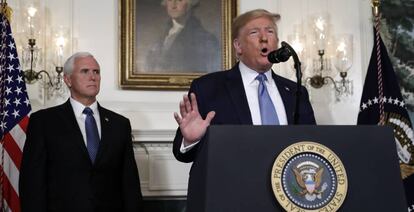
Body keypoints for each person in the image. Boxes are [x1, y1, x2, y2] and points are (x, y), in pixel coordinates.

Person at [172, 9, 316, 163]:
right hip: (232, 184)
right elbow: (182, 155)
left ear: (277, 42)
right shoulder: (208, 88)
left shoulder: (296, 91)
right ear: (238, 46)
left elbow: (311, 145)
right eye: (254, 32)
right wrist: (191, 140)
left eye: (270, 31)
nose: (264, 38)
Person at [19, 52, 143, 212]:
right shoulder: (43, 122)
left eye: (96, 72)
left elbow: (130, 183)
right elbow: (32, 184)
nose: (93, 77)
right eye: (85, 71)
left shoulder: (120, 124)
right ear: (67, 79)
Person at [146, 0, 220, 73]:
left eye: (179, 0)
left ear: (190, 3)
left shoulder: (206, 39)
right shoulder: (163, 35)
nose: (173, 5)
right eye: (170, 0)